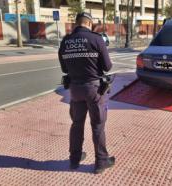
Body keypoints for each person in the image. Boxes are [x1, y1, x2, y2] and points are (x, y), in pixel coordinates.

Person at [58, 12, 115, 174]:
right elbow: (107, 66)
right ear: (89, 24)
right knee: (97, 125)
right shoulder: (96, 39)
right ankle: (101, 162)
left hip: (75, 90)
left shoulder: (66, 41)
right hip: (94, 90)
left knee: (77, 124)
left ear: (76, 23)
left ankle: (74, 159)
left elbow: (64, 68)